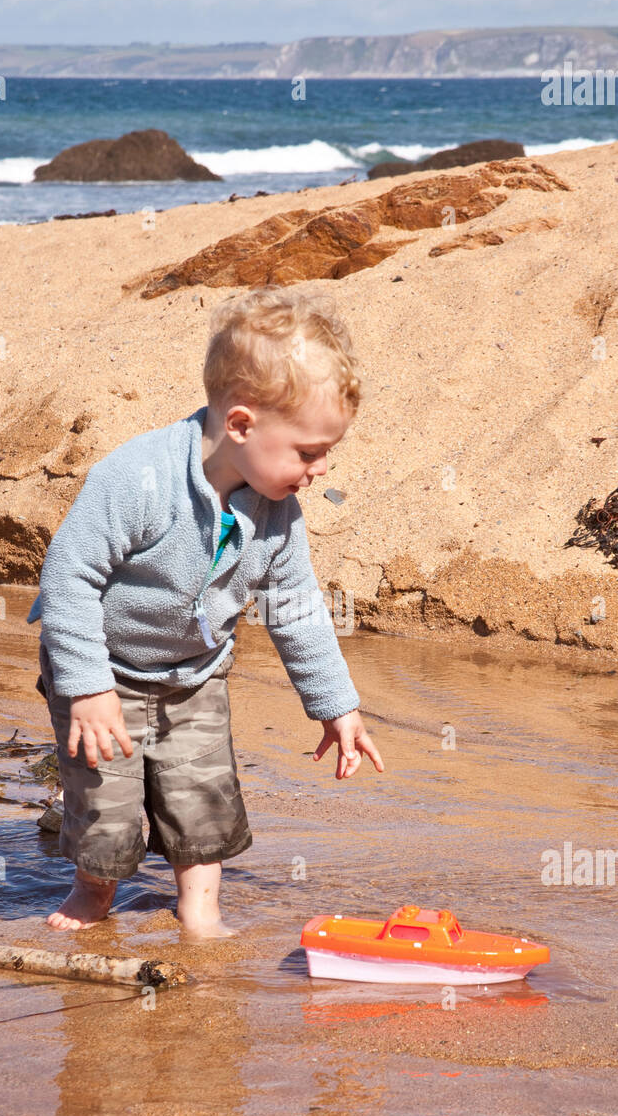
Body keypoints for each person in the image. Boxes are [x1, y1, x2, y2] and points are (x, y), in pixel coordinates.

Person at [31, 284, 384, 937]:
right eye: (308, 451)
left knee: (203, 797)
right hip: (102, 668)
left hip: (194, 675)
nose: (321, 468)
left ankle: (200, 909)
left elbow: (297, 608)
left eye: (326, 451)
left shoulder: (276, 511)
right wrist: (86, 688)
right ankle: (92, 895)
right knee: (106, 803)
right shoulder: (137, 478)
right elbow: (68, 579)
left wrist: (338, 705)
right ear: (243, 425)